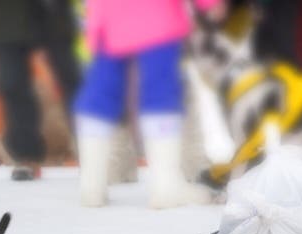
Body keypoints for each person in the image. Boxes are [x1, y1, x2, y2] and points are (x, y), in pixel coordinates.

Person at [74, 0, 226, 208]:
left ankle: (91, 186)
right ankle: (166, 187)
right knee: (160, 92)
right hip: (156, 15)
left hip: (107, 15)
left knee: (101, 94)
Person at [0, 0, 81, 180]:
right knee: (11, 82)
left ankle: (95, 149)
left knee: (71, 79)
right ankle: (26, 156)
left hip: (52, 11)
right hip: (5, 15)